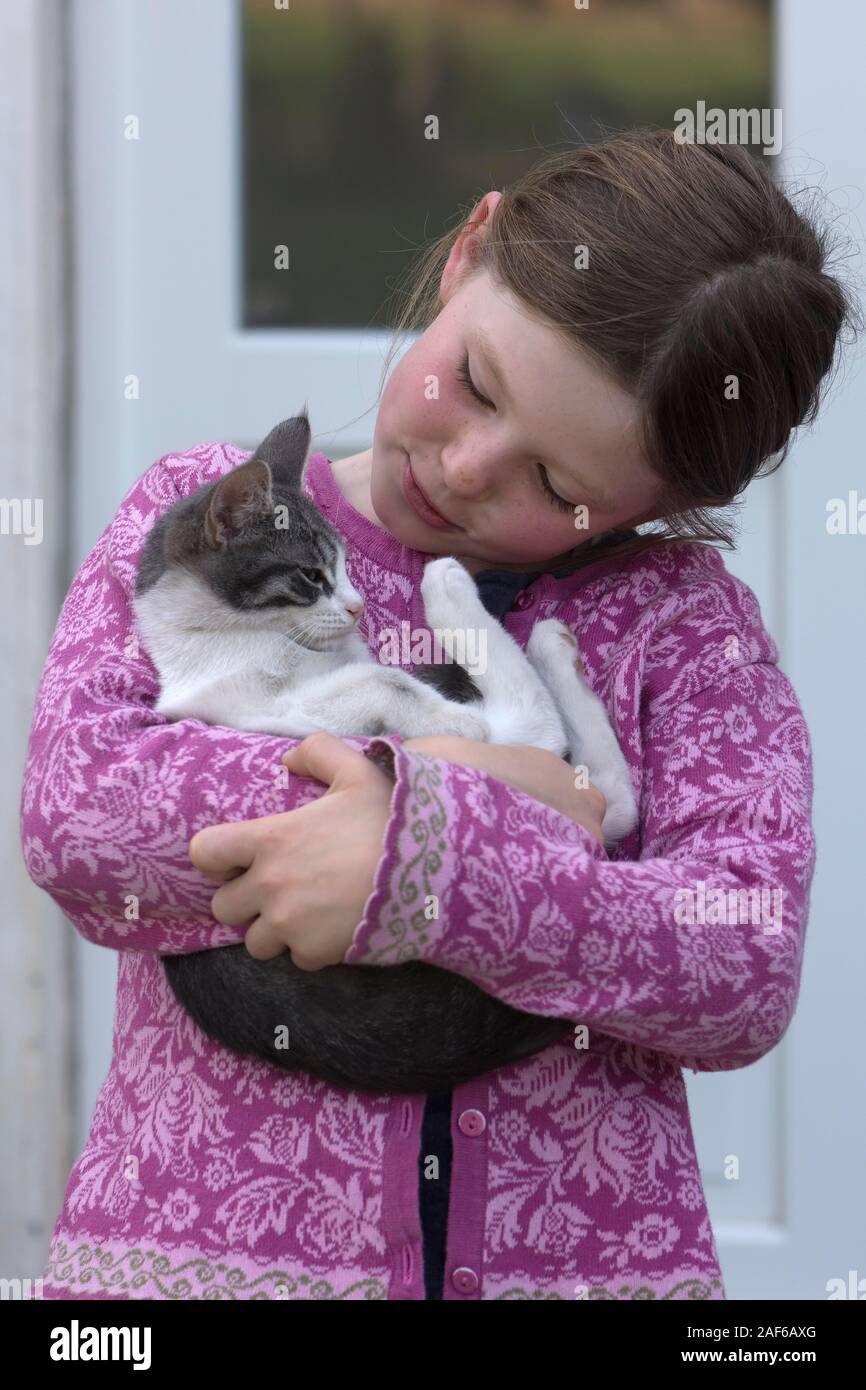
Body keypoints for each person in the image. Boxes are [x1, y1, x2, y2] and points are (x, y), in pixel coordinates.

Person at [21, 131, 855, 1300]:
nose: (467, 468)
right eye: (473, 381)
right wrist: (425, 796)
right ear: (467, 251)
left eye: (558, 487)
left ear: (665, 504)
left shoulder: (680, 626)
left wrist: (443, 861)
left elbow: (741, 955)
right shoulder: (201, 510)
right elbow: (80, 816)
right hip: (197, 1264)